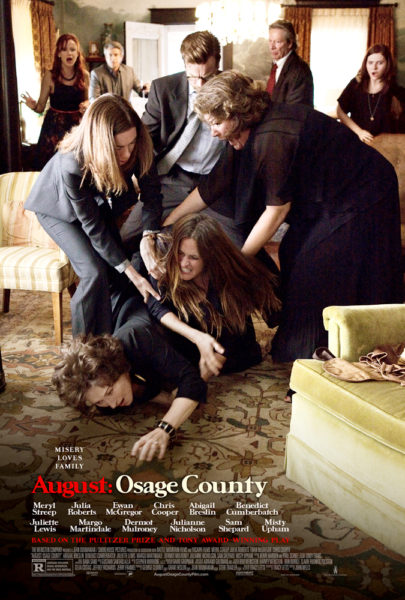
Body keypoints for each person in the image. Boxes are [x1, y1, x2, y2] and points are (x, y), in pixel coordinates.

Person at [163, 71, 403, 367]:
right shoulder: (241, 133)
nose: (212, 132)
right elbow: (211, 186)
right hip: (328, 197)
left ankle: (318, 352)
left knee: (313, 267)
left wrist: (237, 262)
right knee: (291, 252)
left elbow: (276, 211)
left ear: (235, 114)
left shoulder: (272, 138)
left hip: (363, 191)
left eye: (215, 123)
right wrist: (167, 222)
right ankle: (301, 342)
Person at [25, 94, 162, 337]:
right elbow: (94, 228)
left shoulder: (139, 143)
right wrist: (133, 275)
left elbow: (151, 194)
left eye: (131, 144)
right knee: (93, 272)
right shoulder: (72, 163)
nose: (127, 154)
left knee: (114, 269)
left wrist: (149, 236)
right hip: (56, 208)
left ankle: (107, 342)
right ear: (101, 143)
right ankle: (82, 350)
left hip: (94, 201)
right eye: (118, 148)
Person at [52, 297, 207, 461]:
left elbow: (193, 380)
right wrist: (166, 398)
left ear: (119, 368)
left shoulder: (137, 338)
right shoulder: (108, 398)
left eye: (109, 392)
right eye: (100, 401)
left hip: (189, 317)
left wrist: (165, 428)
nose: (112, 404)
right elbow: (138, 391)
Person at [120, 30, 227, 247]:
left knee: (233, 247)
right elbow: (145, 142)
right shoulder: (164, 89)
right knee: (127, 238)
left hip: (216, 183)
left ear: (217, 65)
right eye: (194, 77)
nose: (201, 84)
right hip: (173, 178)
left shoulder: (231, 88)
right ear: (185, 64)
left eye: (207, 77)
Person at [146, 214, 281, 380]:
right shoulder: (163, 264)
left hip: (230, 352)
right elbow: (156, 305)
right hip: (188, 348)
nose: (184, 263)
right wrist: (197, 337)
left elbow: (233, 337)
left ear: (209, 258)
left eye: (194, 257)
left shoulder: (227, 277)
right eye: (180, 253)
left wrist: (199, 379)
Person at [21, 33, 89, 169]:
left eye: (72, 49)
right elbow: (40, 107)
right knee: (50, 169)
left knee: (76, 169)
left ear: (77, 53)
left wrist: (87, 105)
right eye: (64, 49)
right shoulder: (50, 76)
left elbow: (88, 102)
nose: (69, 53)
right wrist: (33, 106)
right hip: (54, 129)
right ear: (58, 54)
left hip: (77, 130)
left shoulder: (84, 75)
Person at [337, 44, 405, 144]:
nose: (374, 67)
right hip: (358, 141)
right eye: (370, 62)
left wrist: (398, 113)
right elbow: (340, 111)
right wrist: (359, 132)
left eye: (380, 63)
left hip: (383, 146)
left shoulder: (394, 89)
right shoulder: (356, 84)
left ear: (387, 64)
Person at [266, 19, 313, 107]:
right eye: (270, 41)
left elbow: (295, 111)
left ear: (290, 43)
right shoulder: (276, 65)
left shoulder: (300, 70)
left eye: (277, 42)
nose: (272, 47)